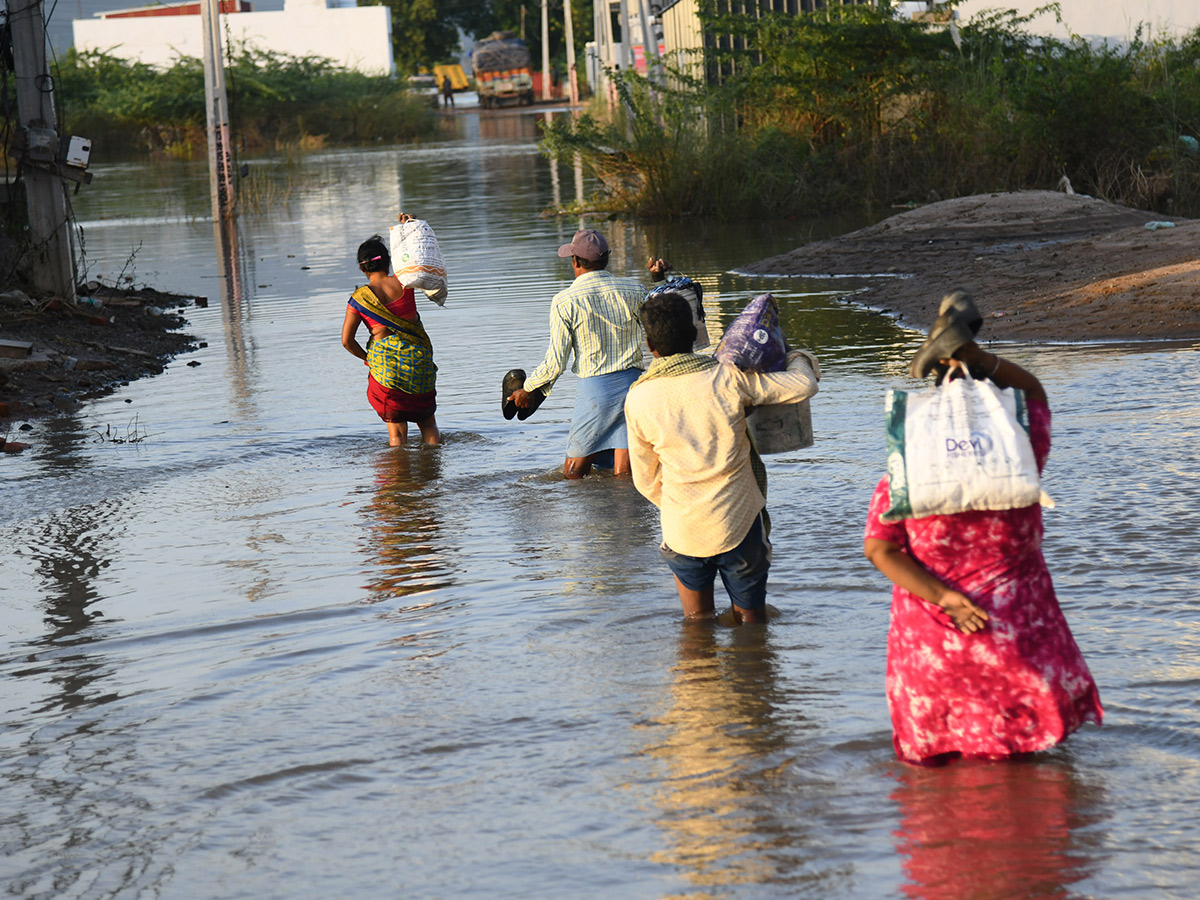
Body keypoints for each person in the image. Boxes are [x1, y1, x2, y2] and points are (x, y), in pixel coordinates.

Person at [863, 292, 1102, 764]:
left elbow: (879, 549)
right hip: (1014, 635)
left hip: (935, 638)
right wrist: (981, 359)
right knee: (1026, 767)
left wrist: (946, 597)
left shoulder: (905, 475)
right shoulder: (1022, 455)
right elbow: (1034, 391)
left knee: (939, 783)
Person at [624, 292, 820, 624]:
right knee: (752, 624)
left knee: (696, 625)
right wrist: (796, 355)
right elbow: (803, 385)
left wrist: (680, 503)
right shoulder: (727, 379)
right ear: (694, 334)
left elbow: (644, 480)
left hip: (682, 529)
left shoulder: (638, 397)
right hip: (738, 522)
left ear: (649, 345)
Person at [507, 229, 667, 478]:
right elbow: (664, 323)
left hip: (596, 393)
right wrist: (659, 281)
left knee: (573, 473)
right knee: (625, 474)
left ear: (575, 261)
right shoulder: (634, 290)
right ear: (606, 259)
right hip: (634, 389)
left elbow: (555, 363)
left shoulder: (565, 301)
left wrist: (528, 389)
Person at [341, 223, 441, 447]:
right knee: (428, 424)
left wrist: (368, 358)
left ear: (361, 268)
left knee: (397, 432)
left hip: (389, 372)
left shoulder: (359, 299)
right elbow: (419, 255)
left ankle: (397, 480)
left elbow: (347, 342)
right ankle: (435, 471)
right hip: (419, 364)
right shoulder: (406, 282)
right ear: (389, 261)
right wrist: (409, 225)